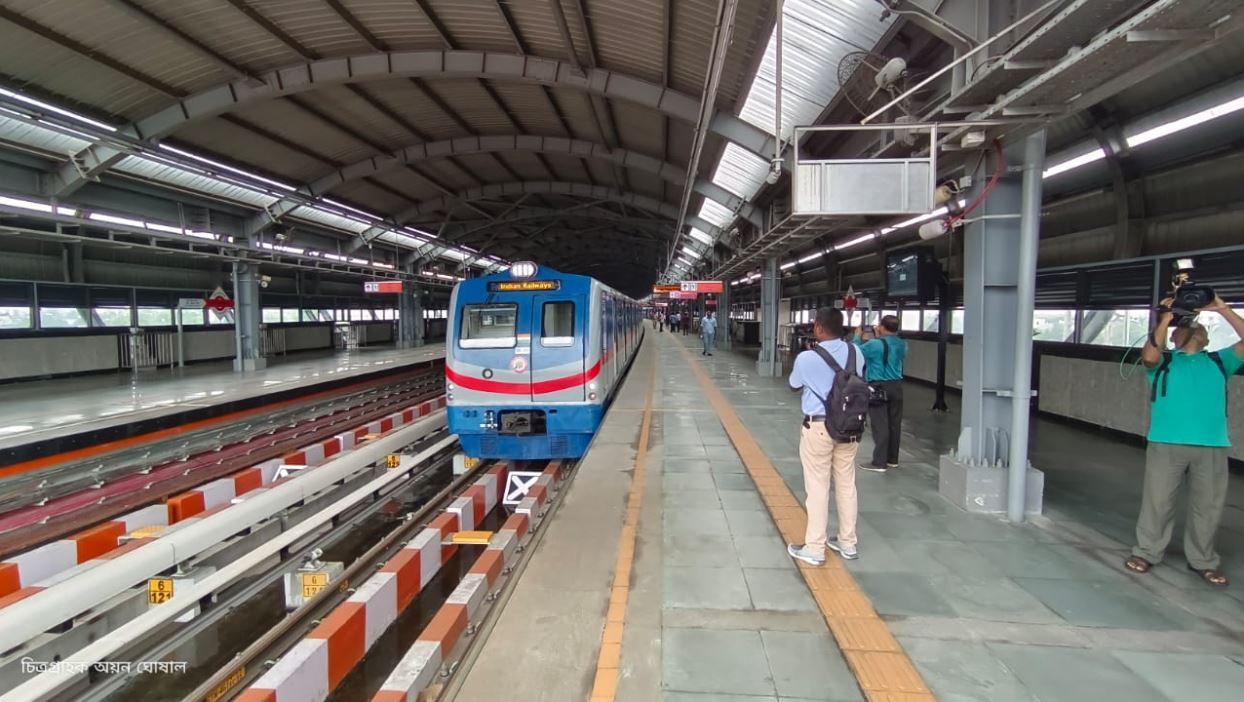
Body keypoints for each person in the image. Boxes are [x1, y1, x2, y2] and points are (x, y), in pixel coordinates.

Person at [1124, 296, 1244, 587]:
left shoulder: (1219, 361)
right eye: (1175, 327)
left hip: (1212, 444)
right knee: (1158, 501)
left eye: (1182, 325)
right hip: (1167, 442)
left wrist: (1223, 309)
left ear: (1201, 335)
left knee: (1208, 505)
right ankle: (1147, 552)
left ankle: (1203, 560)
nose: (1179, 329)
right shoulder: (1163, 363)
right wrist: (1165, 318)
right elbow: (1150, 355)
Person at [786, 307, 865, 564]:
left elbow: (794, 385)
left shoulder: (807, 358)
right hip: (850, 427)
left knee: (818, 487)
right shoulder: (857, 352)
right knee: (846, 484)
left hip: (818, 428)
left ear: (819, 327)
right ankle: (847, 543)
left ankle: (815, 548)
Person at [855, 315, 907, 473]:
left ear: (882, 327)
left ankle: (879, 462)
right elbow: (891, 354)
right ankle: (892, 459)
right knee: (894, 423)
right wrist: (880, 337)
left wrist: (858, 335)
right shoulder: (903, 344)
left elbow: (855, 351)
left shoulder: (874, 344)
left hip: (878, 386)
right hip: (896, 386)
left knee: (880, 424)